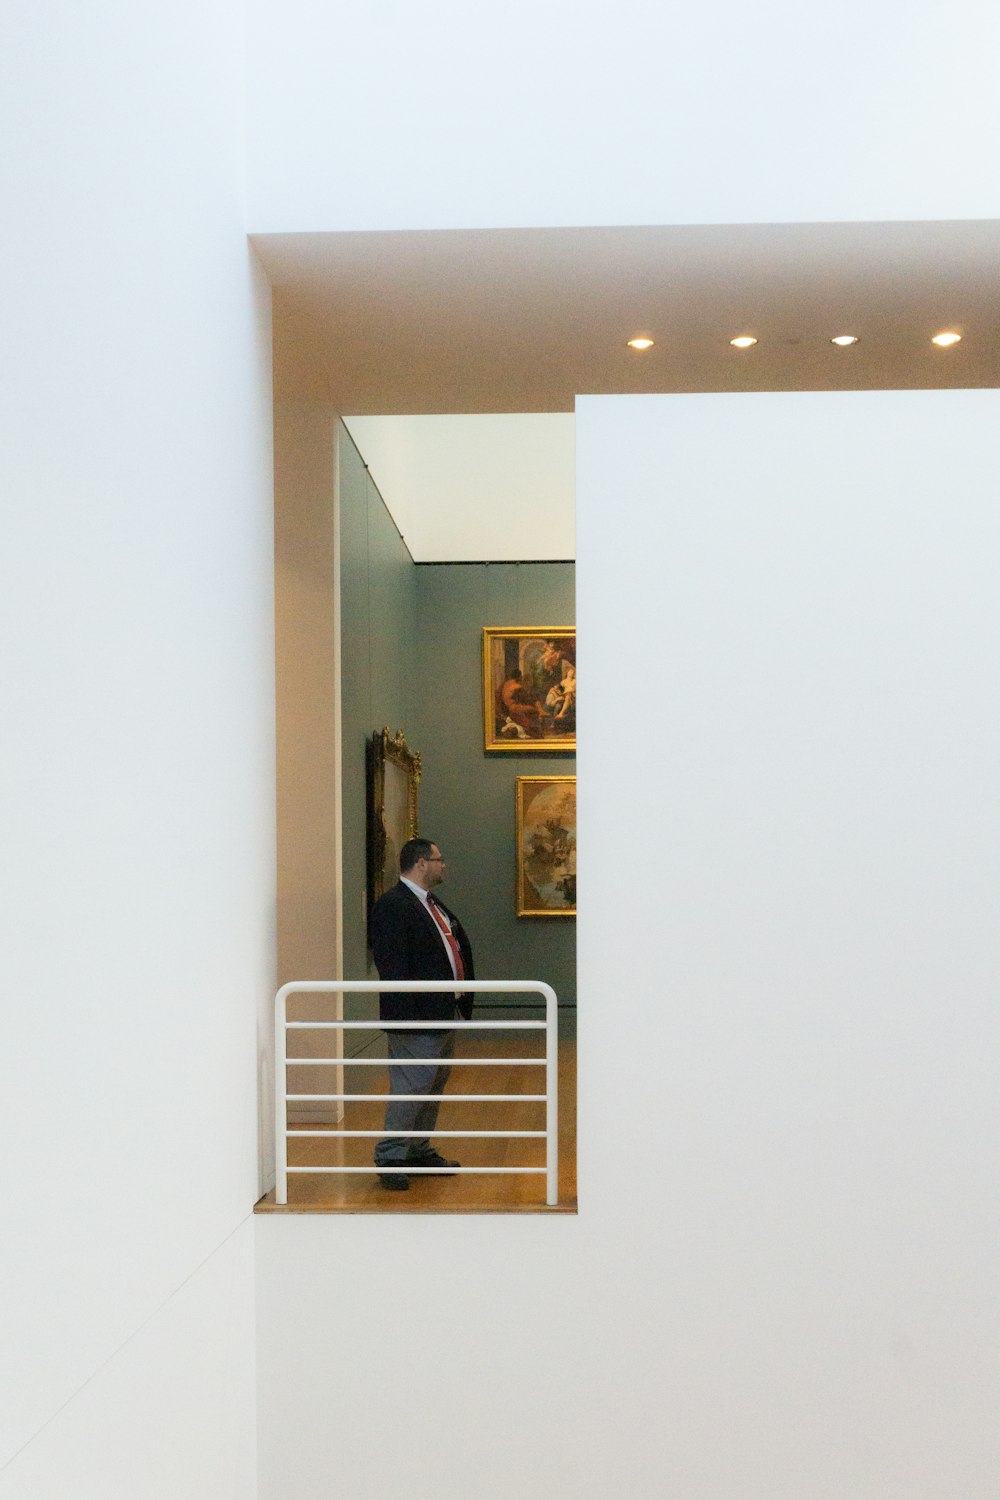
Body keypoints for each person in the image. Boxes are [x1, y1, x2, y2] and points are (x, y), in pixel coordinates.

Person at [369, 837, 475, 1191]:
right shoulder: (393, 906)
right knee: (412, 1085)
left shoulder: (429, 903)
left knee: (431, 1085)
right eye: (439, 859)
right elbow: (393, 967)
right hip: (416, 1017)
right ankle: (391, 1154)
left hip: (441, 1012)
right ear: (420, 863)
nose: (444, 865)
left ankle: (417, 1149)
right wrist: (413, 1015)